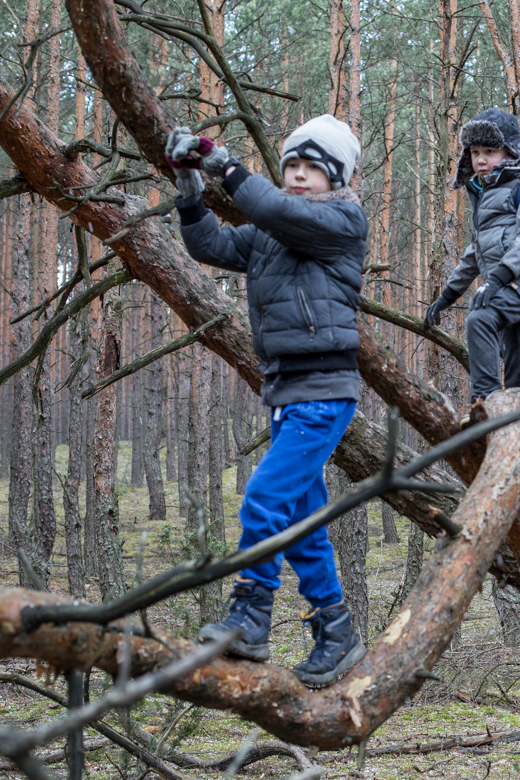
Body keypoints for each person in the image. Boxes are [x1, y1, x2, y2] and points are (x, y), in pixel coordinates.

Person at [164, 114, 366, 688]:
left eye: (312, 169)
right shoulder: (272, 233)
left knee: (262, 498)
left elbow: (277, 210)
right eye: (292, 167)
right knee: (301, 523)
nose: (299, 177)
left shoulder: (341, 220)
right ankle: (336, 630)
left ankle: (250, 615)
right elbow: (211, 244)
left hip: (324, 390)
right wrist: (189, 188)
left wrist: (219, 160)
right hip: (282, 390)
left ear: (336, 178)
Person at [423, 107, 520, 403]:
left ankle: (485, 399)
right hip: (510, 285)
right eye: (474, 152)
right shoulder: (487, 192)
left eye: (489, 151)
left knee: (480, 318)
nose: (481, 160)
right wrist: (446, 297)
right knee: (519, 366)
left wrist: (496, 280)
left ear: (510, 151)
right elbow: (476, 251)